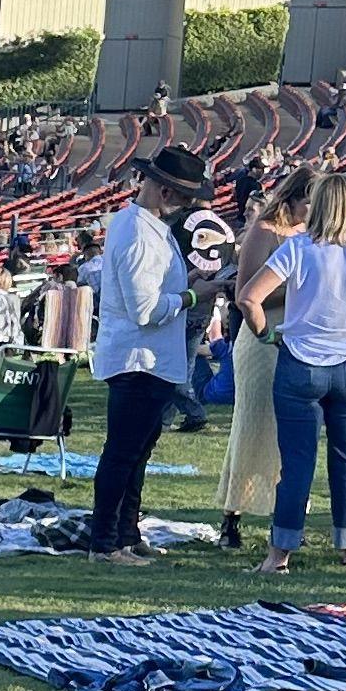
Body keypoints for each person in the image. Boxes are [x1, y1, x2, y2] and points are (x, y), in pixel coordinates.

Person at [241, 171, 346, 580]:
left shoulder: (299, 248)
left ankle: (279, 554)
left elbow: (248, 298)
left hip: (301, 363)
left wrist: (267, 335)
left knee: (296, 464)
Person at [84, 147, 209, 559]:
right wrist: (192, 296)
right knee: (124, 454)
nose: (187, 206)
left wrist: (186, 284)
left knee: (136, 453)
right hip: (139, 360)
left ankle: (125, 533)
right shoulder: (139, 232)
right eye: (184, 197)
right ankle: (105, 541)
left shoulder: (142, 225)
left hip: (146, 359)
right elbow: (145, 310)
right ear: (165, 192)